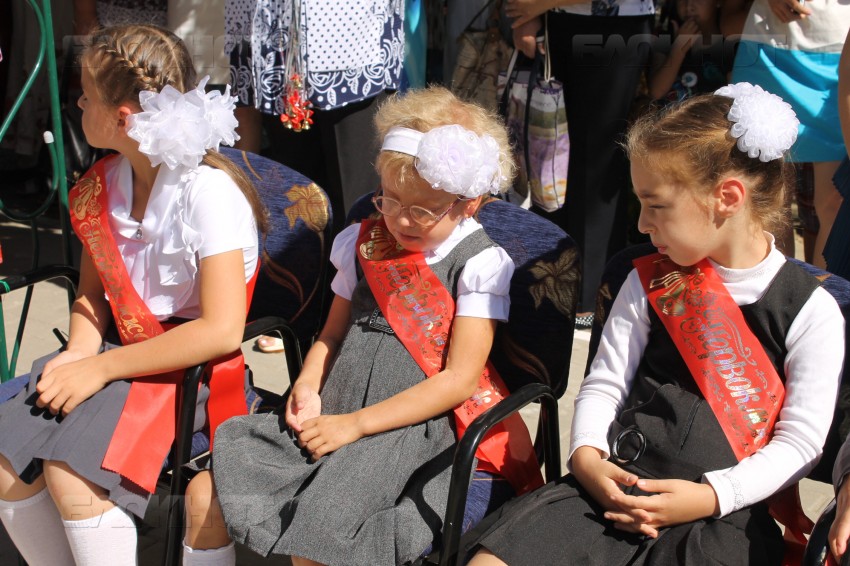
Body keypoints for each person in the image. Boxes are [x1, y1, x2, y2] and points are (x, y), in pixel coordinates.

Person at [465, 84, 845, 566]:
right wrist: (586, 457)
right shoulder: (646, 279)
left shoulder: (812, 311)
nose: (642, 223)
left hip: (720, 517)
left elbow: (800, 442)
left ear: (727, 197)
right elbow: (604, 384)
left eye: (657, 205)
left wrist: (711, 496)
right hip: (610, 487)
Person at [180, 86, 544, 566]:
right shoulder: (363, 241)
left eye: (422, 210)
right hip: (333, 412)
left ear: (468, 204)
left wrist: (354, 426)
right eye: (389, 200)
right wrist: (307, 383)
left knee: (315, 544)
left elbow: (458, 380)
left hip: (406, 435)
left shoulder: (479, 264)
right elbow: (331, 335)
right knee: (202, 494)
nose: (401, 221)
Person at [0, 24, 266, 565]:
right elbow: (93, 293)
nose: (78, 103)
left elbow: (221, 331)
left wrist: (99, 368)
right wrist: (79, 351)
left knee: (70, 474)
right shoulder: (103, 182)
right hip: (116, 356)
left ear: (122, 118)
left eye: (86, 96)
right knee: (7, 462)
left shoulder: (209, 195)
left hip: (190, 372)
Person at [506, 0, 655, 330]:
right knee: (548, 154)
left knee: (596, 164)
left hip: (614, 25)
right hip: (553, 22)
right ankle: (550, 283)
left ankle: (589, 296)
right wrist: (527, 17)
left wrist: (539, 5)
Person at [723, 0, 850, 268]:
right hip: (770, 48)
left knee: (835, 201)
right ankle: (776, 292)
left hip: (841, 52)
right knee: (768, 200)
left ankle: (821, 293)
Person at [648, 0, 735, 103]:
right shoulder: (665, 38)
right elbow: (656, 93)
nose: (688, 6)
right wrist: (678, 50)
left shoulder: (732, 45)